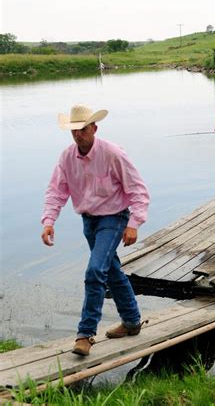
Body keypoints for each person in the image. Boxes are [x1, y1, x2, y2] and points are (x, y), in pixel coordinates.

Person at [41, 104, 150, 356]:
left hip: (114, 219)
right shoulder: (67, 157)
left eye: (82, 129)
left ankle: (85, 334)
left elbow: (138, 190)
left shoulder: (113, 154)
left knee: (94, 271)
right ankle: (132, 321)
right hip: (89, 222)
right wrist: (49, 221)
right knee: (110, 271)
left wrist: (134, 224)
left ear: (94, 128)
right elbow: (57, 191)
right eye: (74, 131)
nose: (78, 134)